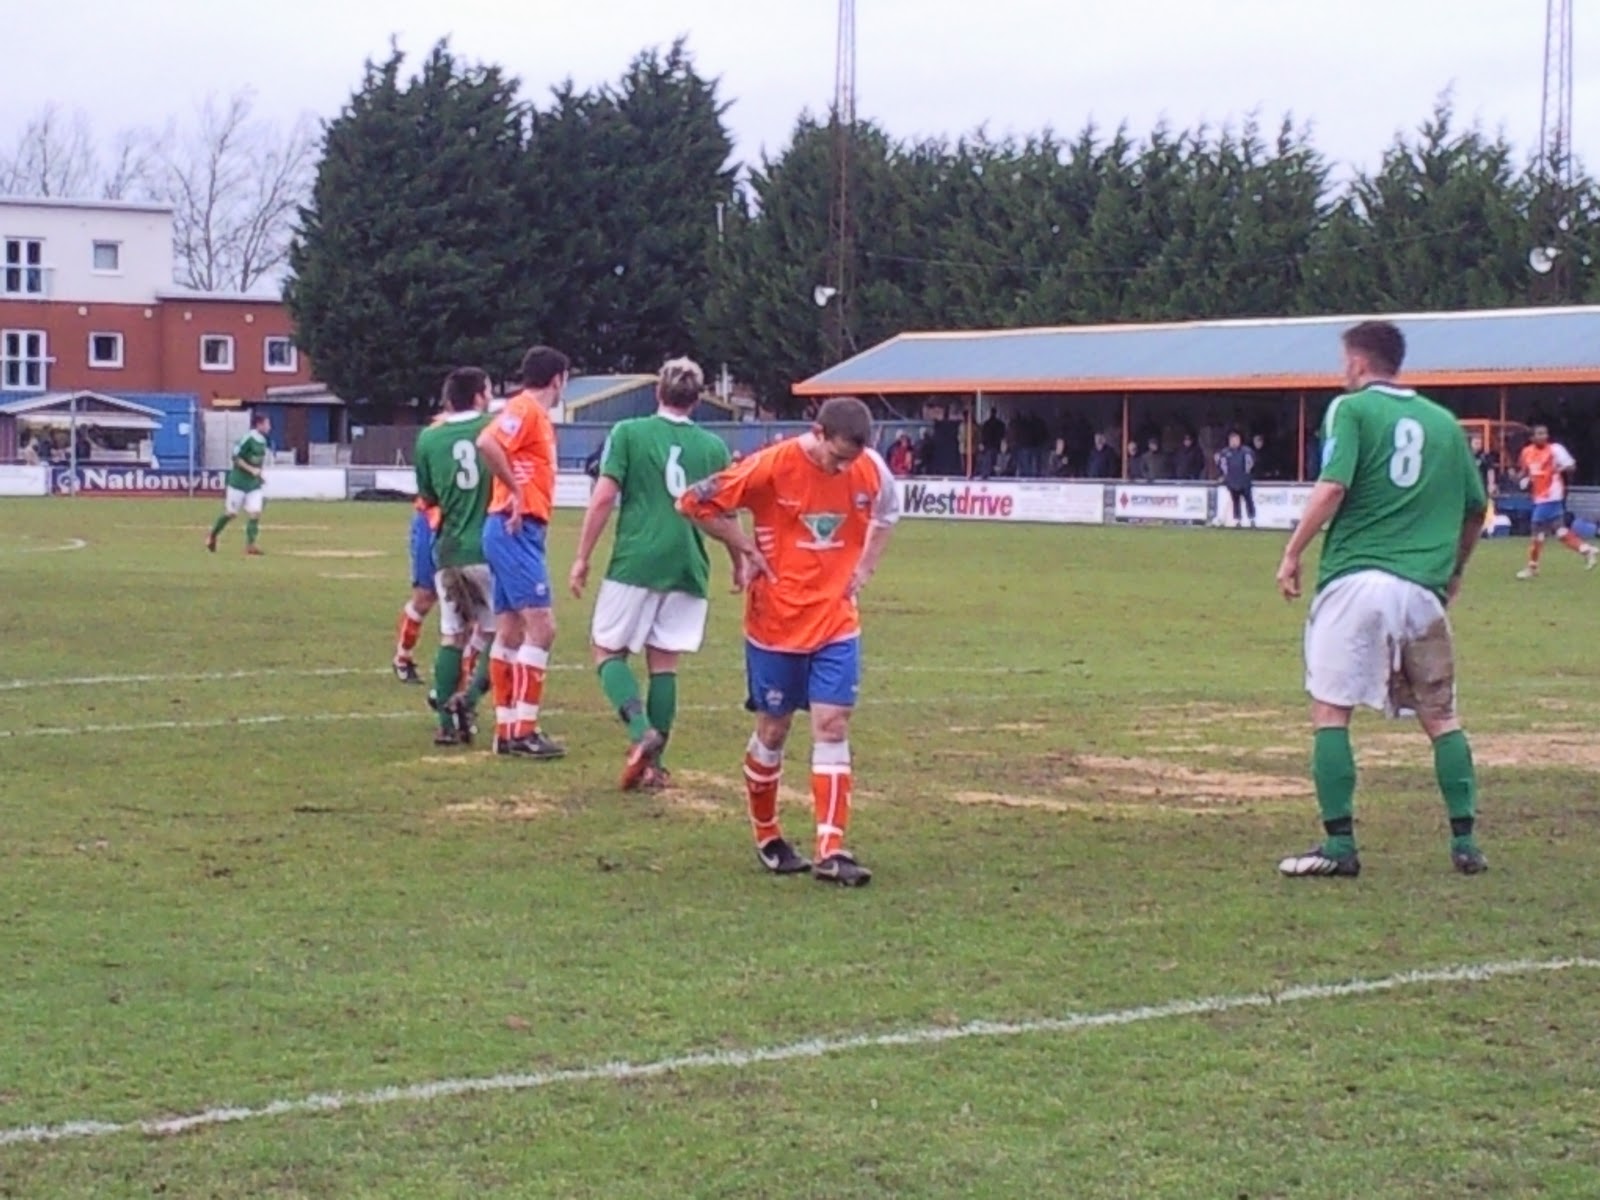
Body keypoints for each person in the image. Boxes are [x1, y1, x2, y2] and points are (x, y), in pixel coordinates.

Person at [1274, 320, 1488, 879]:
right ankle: (1465, 842)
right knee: (1441, 716)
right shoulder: (1444, 423)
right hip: (1421, 591)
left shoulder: (1351, 410)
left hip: (1355, 582)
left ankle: (1340, 846)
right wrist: (1455, 571)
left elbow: (1334, 485)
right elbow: (1476, 508)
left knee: (1331, 710)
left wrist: (1293, 551)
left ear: (1358, 363)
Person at [677, 395, 901, 887]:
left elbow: (888, 513)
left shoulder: (872, 470)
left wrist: (866, 566)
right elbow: (694, 501)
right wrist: (743, 547)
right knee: (773, 730)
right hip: (775, 622)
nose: (844, 468)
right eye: (836, 457)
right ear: (816, 432)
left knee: (833, 724)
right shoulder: (771, 465)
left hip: (837, 621)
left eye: (852, 459)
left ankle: (831, 848)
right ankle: (768, 836)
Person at [569, 357, 736, 789]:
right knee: (664, 663)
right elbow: (725, 513)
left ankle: (640, 731)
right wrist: (740, 562)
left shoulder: (628, 432)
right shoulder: (714, 448)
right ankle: (655, 768)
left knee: (606, 651)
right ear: (697, 400)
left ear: (657, 393)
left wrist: (582, 556)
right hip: (688, 564)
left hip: (636, 560)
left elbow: (604, 496)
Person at [475, 346, 568, 760]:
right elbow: (487, 442)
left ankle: (508, 729)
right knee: (542, 628)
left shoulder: (536, 416)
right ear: (558, 379)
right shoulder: (526, 408)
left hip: (515, 529)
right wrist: (514, 490)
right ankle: (523, 730)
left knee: (510, 629)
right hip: (516, 527)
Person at [413, 367, 496, 746]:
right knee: (503, 633)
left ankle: (446, 725)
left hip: (447, 549)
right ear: (480, 395)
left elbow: (427, 498)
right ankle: (471, 698)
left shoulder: (428, 439)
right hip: (490, 549)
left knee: (452, 635)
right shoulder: (496, 427)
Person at [1514, 424, 1597, 579]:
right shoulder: (1527, 452)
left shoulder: (1555, 449)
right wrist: (1520, 478)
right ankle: (1586, 549)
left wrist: (1559, 468)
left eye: (1545, 433)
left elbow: (1572, 466)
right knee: (1559, 531)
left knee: (1536, 530)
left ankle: (1532, 567)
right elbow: (1525, 471)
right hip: (1538, 497)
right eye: (1539, 434)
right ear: (1532, 438)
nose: (1543, 436)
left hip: (1551, 495)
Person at [207, 412, 271, 555]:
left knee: (255, 512)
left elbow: (258, 463)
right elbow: (236, 458)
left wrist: (259, 476)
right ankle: (212, 535)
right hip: (238, 483)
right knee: (231, 514)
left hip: (253, 485)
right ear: (259, 424)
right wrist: (251, 470)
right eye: (267, 424)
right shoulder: (247, 438)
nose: (269, 427)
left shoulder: (263, 441)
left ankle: (250, 545)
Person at [392, 498, 440, 684]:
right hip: (431, 521)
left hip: (466, 523)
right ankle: (403, 657)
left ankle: (465, 669)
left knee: (469, 601)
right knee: (424, 597)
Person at [1215, 432, 1257, 528]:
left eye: (1236, 440)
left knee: (1249, 500)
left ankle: (1252, 519)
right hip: (1232, 481)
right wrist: (1227, 477)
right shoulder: (1225, 452)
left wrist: (1246, 475)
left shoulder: (1246, 451)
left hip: (1245, 481)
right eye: (1232, 440)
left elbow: (1251, 464)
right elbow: (1222, 465)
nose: (1234, 442)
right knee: (1235, 501)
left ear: (1239, 440)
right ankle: (1237, 520)